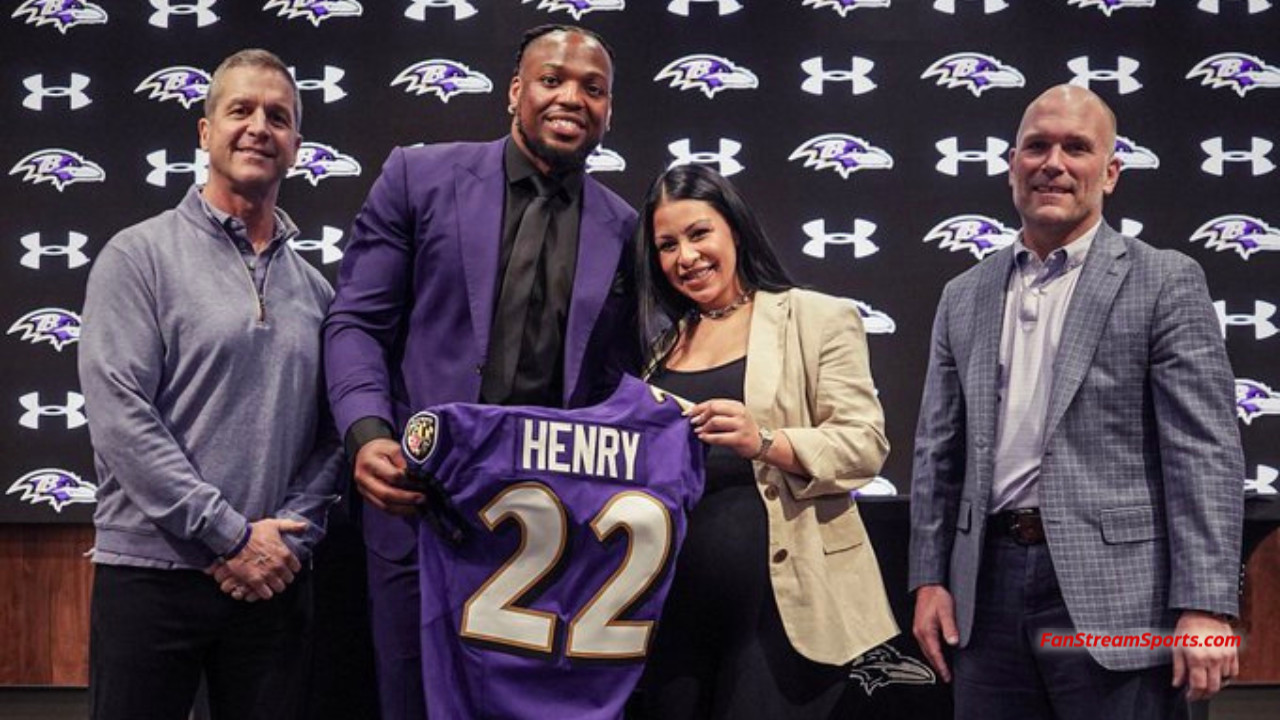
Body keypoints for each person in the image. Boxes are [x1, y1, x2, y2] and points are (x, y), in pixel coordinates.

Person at [322, 25, 638, 719]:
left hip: (546, 530)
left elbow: (623, 383)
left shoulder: (624, 228)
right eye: (552, 79)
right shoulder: (418, 175)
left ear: (609, 112)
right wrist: (368, 434)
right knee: (411, 700)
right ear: (515, 92)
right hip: (417, 504)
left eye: (593, 88)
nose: (571, 98)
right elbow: (356, 324)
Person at [909, 84, 1244, 719]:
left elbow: (1205, 454)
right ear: (1012, 164)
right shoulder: (963, 294)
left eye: (1077, 148)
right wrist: (930, 579)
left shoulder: (1166, 280)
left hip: (1122, 599)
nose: (1053, 163)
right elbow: (937, 452)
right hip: (986, 591)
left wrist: (1206, 602)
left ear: (1110, 171)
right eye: (1037, 146)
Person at [79, 49, 342, 719]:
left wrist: (290, 538)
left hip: (272, 584)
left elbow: (332, 436)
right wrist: (228, 535)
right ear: (204, 132)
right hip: (151, 578)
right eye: (241, 110)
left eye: (278, 117)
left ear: (296, 146)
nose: (259, 126)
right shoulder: (138, 257)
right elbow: (121, 417)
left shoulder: (315, 290)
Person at [634, 164, 897, 719]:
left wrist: (765, 440)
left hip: (779, 617)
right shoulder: (658, 349)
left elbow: (864, 445)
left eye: (699, 233)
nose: (686, 256)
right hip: (671, 615)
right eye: (667, 244)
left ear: (734, 228)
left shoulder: (816, 317)